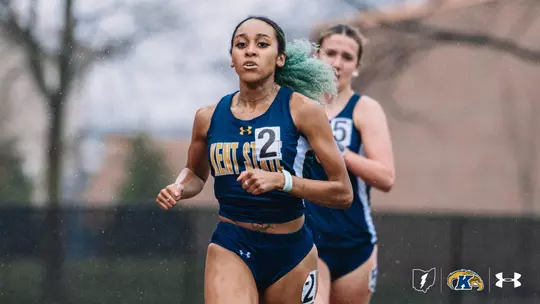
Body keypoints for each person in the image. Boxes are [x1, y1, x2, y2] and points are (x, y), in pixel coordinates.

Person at [155, 16, 354, 304]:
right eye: (241, 44)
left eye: (262, 44)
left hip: (291, 251)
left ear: (280, 58)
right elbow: (196, 174)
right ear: (232, 59)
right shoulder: (207, 117)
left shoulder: (304, 112)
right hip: (232, 243)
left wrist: (281, 180)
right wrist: (179, 187)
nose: (250, 50)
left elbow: (342, 192)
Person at [304, 24, 396, 304]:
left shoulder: (364, 108)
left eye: (347, 57)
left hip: (354, 241)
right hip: (306, 237)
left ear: (357, 66)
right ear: (316, 56)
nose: (337, 62)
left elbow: (386, 178)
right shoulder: (296, 104)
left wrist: (337, 149)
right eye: (330, 53)